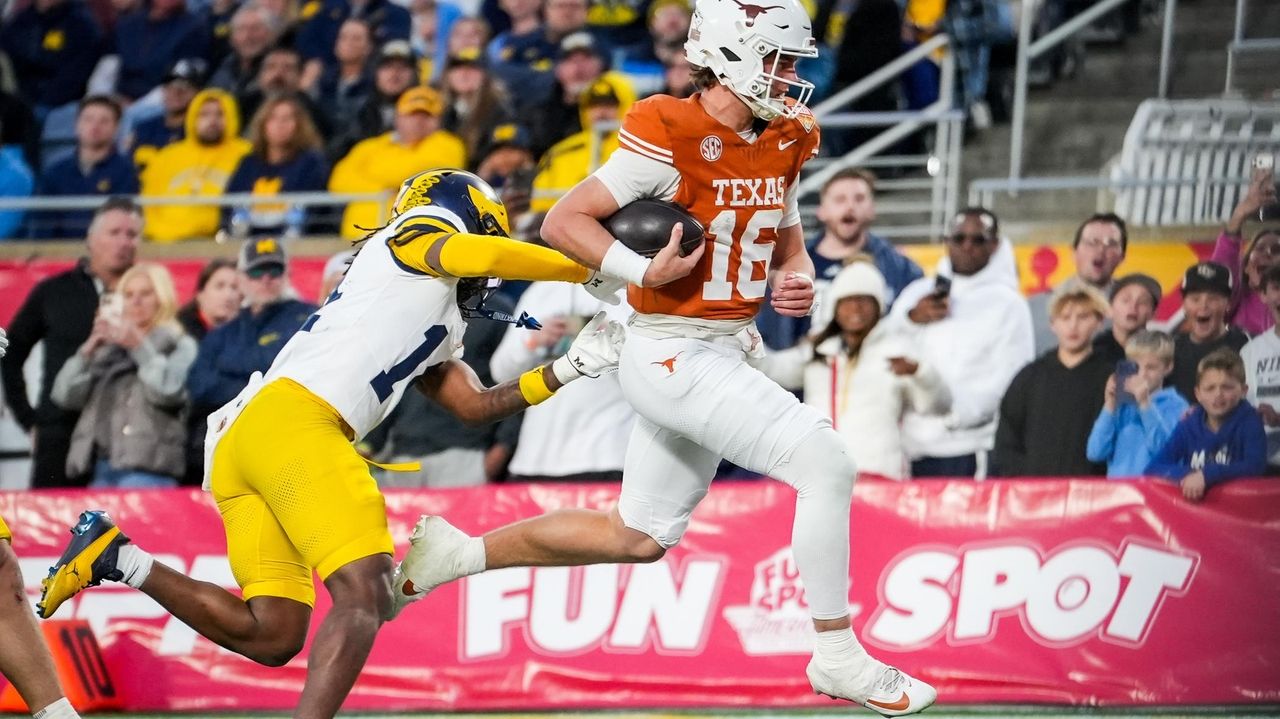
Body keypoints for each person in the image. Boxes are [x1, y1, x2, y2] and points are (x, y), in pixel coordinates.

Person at [388, 1, 937, 714]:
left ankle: (458, 555)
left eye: (791, 60)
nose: (790, 75)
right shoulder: (668, 127)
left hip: (726, 347)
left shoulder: (789, 132)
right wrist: (641, 272)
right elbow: (564, 220)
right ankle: (837, 654)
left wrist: (791, 271)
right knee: (826, 460)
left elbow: (785, 222)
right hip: (670, 349)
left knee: (638, 535)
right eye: (776, 59)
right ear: (731, 53)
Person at [38, 169, 625, 719]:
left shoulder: (437, 313)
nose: (486, 272)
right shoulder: (413, 236)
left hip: (255, 436)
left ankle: (117, 557)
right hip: (300, 423)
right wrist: (587, 265)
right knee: (365, 595)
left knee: (273, 634)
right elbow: (480, 254)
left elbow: (476, 406)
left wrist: (570, 366)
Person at [756, 260, 949, 480]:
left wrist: (919, 372)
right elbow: (772, 368)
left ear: (878, 306)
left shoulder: (897, 350)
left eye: (864, 300)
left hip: (880, 477)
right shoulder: (818, 351)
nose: (856, 307)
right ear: (836, 309)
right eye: (847, 301)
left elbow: (937, 407)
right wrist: (744, 337)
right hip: (822, 478)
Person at [1, 198, 141, 488]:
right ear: (90, 238)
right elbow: (10, 352)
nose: (123, 242)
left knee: (126, 531)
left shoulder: (148, 294)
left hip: (126, 437)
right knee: (51, 531)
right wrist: (30, 420)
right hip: (60, 432)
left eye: (131, 234)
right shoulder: (54, 291)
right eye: (114, 233)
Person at [891, 208, 1034, 478]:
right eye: (959, 238)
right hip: (910, 446)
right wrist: (911, 319)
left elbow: (1014, 378)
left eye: (978, 239)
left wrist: (955, 416)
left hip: (968, 448)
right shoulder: (918, 293)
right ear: (947, 241)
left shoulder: (1009, 304)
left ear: (994, 245)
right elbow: (883, 349)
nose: (967, 246)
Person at [50, 263, 196, 488]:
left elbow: (168, 392)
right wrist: (88, 350)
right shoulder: (109, 348)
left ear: (162, 298)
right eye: (128, 295)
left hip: (150, 471)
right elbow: (64, 396)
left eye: (145, 293)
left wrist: (139, 345)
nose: (136, 301)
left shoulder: (180, 344)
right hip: (102, 468)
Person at [757, 168, 922, 349]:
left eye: (859, 198)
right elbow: (770, 330)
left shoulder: (900, 268)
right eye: (840, 199)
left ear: (872, 209)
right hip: (804, 369)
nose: (850, 206)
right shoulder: (790, 265)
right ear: (822, 210)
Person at [489, 281, 634, 482]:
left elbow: (652, 381)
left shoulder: (633, 292)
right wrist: (533, 341)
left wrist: (615, 346)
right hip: (535, 458)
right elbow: (500, 373)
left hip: (607, 455)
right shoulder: (542, 289)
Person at [994, 281, 1112, 477]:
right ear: (1053, 324)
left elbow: (1127, 440)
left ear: (1099, 322)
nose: (1073, 326)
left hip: (1094, 493)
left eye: (1083, 317)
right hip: (1036, 494)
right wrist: (1026, 479)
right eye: (1065, 317)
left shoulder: (1113, 378)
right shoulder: (1029, 377)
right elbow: (1006, 441)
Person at [187, 238, 316, 414]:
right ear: (240, 278)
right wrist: (258, 387)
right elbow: (200, 385)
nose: (266, 279)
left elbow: (295, 376)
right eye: (256, 272)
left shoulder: (309, 318)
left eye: (274, 271)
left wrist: (230, 371)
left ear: (287, 274)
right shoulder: (225, 330)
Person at [328, 86, 467, 239]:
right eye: (411, 115)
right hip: (356, 238)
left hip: (412, 239)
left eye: (427, 116)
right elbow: (339, 180)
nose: (418, 121)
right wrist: (382, 190)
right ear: (397, 118)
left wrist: (373, 175)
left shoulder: (448, 144)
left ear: (439, 120)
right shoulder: (370, 146)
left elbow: (423, 172)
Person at [1146, 347, 1267, 501]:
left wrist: (1207, 475)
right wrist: (1192, 475)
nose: (1218, 394)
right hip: (1197, 516)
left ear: (1243, 390)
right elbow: (1153, 468)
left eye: (1227, 387)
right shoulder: (1188, 423)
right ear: (1198, 394)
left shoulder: (1251, 422)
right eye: (1210, 388)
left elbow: (1255, 467)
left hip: (1237, 514)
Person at [140, 89, 252, 242]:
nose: (212, 120)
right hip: (164, 241)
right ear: (192, 117)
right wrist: (155, 233)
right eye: (204, 114)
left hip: (221, 240)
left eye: (220, 114)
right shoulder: (168, 155)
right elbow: (148, 202)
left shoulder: (246, 153)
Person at [1086, 330, 1188, 478]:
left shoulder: (1176, 405)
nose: (1142, 374)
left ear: (1168, 367)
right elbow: (1095, 452)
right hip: (1121, 493)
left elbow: (1167, 452)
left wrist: (1145, 404)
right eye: (1136, 367)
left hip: (1156, 493)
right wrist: (1109, 405)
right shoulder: (1121, 405)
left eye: (1151, 367)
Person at [33, 96, 139, 239]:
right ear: (77, 124)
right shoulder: (55, 171)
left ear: (116, 127)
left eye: (104, 121)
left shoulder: (127, 171)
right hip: (58, 254)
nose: (95, 126)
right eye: (88, 119)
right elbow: (42, 222)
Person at [225, 95, 330, 237]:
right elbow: (232, 202)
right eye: (273, 118)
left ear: (299, 125)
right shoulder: (248, 163)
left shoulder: (312, 163)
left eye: (287, 119)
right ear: (263, 124)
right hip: (248, 239)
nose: (280, 124)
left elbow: (313, 209)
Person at [529, 75, 633, 213]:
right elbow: (538, 204)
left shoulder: (638, 150)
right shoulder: (560, 153)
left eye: (610, 105)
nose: (600, 112)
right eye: (593, 106)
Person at [1027, 213, 1128, 355]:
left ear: (1122, 256)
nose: (1100, 250)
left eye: (1110, 244)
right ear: (1074, 252)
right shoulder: (1036, 307)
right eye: (1092, 242)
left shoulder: (1132, 309)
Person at [1211, 166, 1280, 336]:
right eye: (1260, 248)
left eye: (1277, 250)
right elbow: (1222, 272)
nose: (1268, 253)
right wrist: (1239, 214)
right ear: (1246, 266)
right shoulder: (1236, 301)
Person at [0, 0, 102, 113]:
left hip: (57, 103)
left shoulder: (82, 25)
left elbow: (75, 75)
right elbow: (7, 55)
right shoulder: (22, 19)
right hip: (19, 95)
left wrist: (45, 103)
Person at [1171, 261, 1249, 403]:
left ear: (1228, 303)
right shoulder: (1169, 349)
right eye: (1195, 299)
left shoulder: (1247, 346)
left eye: (1213, 299)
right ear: (1183, 304)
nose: (1203, 306)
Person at [112, 0, 209, 101]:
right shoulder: (129, 23)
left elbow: (182, 80)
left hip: (160, 99)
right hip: (118, 95)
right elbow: (110, 66)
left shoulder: (194, 29)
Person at [129, 58, 207, 169]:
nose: (177, 92)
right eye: (171, 86)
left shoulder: (200, 132)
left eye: (186, 87)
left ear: (198, 93)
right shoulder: (144, 128)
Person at [441, 48, 514, 163]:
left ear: (486, 76)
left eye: (472, 68)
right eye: (457, 68)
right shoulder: (441, 111)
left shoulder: (499, 111)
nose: (464, 74)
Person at [1240, 264, 1280, 473]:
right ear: (1263, 295)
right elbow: (1244, 404)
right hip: (1264, 465)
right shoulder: (1251, 351)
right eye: (1276, 287)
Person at [209, 3, 281, 99]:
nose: (247, 36)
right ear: (232, 37)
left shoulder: (280, 67)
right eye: (241, 29)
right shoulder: (224, 68)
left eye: (255, 29)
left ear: (272, 34)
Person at [1092, 272, 1160, 364]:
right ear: (1109, 310)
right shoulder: (1092, 353)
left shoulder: (1161, 353)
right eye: (1126, 300)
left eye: (1143, 302)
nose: (1133, 307)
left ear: (1153, 314)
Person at [177, 258, 243, 342]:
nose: (228, 295)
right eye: (219, 286)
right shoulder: (178, 333)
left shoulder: (247, 333)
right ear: (200, 294)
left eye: (234, 287)